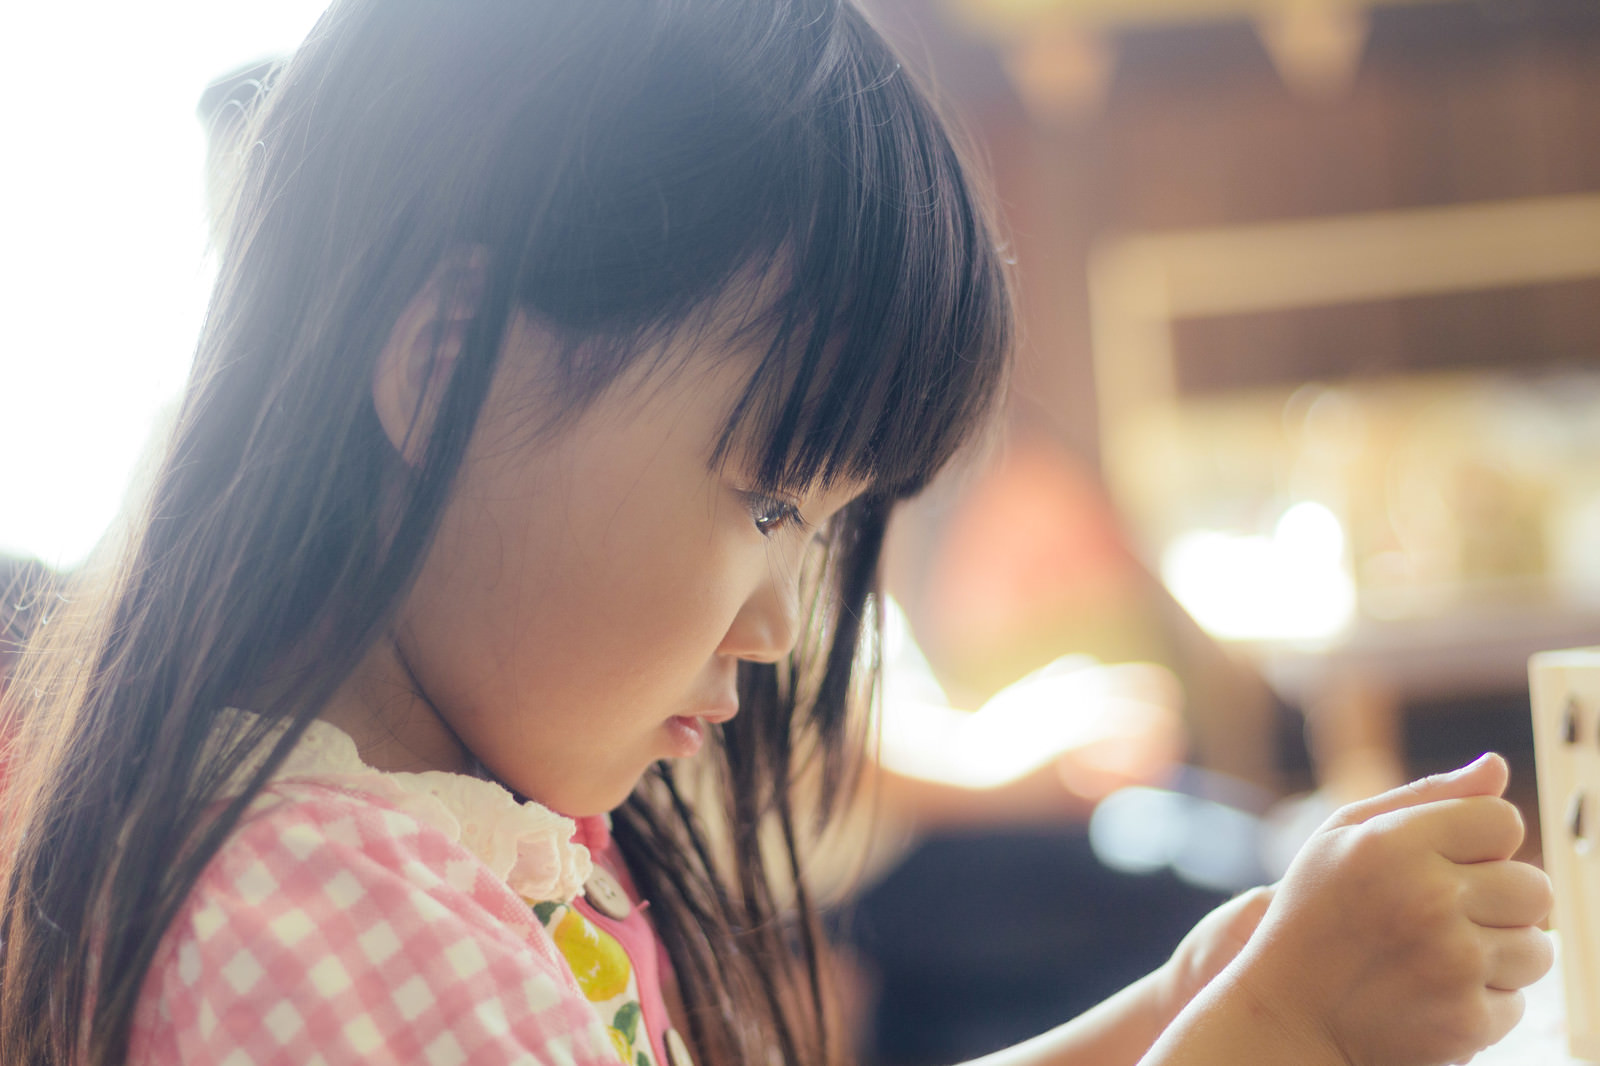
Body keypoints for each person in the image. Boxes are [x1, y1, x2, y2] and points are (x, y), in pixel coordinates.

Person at [0, 2, 1553, 1066]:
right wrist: (1270, 1033)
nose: (781, 624)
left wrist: (1180, 1002)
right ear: (438, 365)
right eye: (767, 500)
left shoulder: (433, 840)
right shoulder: (310, 917)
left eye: (819, 532)